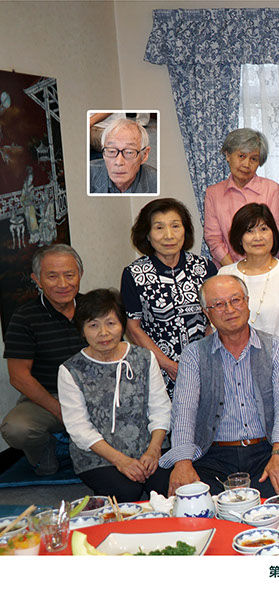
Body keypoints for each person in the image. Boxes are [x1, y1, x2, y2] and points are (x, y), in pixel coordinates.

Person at [160, 275, 279, 497]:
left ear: (247, 302)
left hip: (265, 450)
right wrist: (183, 462)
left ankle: (226, 497)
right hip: (214, 455)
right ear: (207, 313)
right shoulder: (194, 354)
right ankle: (252, 496)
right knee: (166, 475)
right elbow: (184, 411)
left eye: (235, 300)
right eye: (219, 304)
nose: (230, 309)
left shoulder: (277, 348)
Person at [59, 289, 171, 502]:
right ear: (82, 330)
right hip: (100, 456)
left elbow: (161, 408)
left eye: (110, 323)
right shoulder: (70, 370)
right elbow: (79, 428)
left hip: (149, 447)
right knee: (127, 491)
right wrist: (120, 460)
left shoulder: (144, 357)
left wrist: (154, 450)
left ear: (122, 324)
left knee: (166, 488)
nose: (104, 333)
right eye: (93, 325)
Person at [0, 245, 87, 475]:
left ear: (80, 274)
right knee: (17, 428)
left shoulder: (94, 308)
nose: (63, 284)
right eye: (52, 276)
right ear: (37, 280)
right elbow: (19, 377)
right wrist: (61, 412)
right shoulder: (24, 317)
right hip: (48, 398)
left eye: (69, 275)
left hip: (93, 394)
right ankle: (47, 449)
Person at [121, 198, 217, 396]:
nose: (169, 235)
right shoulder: (134, 274)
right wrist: (168, 365)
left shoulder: (204, 268)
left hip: (205, 365)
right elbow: (133, 327)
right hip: (158, 370)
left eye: (175, 226)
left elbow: (215, 318)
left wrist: (201, 361)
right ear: (147, 235)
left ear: (185, 230)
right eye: (159, 228)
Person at [217, 203, 279, 356]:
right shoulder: (225, 275)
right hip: (230, 360)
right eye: (249, 231)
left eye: (264, 229)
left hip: (278, 362)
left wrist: (276, 363)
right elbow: (217, 325)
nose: (258, 237)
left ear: (273, 234)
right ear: (239, 238)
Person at [203, 128, 279, 268]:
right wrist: (234, 270)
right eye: (241, 156)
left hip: (264, 267)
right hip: (227, 268)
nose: (246, 164)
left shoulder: (272, 190)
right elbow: (213, 238)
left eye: (253, 159)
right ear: (228, 155)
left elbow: (276, 234)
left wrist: (253, 270)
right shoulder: (213, 193)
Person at [88, 118, 157, 194]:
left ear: (145, 155)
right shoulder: (86, 174)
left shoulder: (157, 183)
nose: (119, 162)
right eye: (111, 151)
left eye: (129, 152)